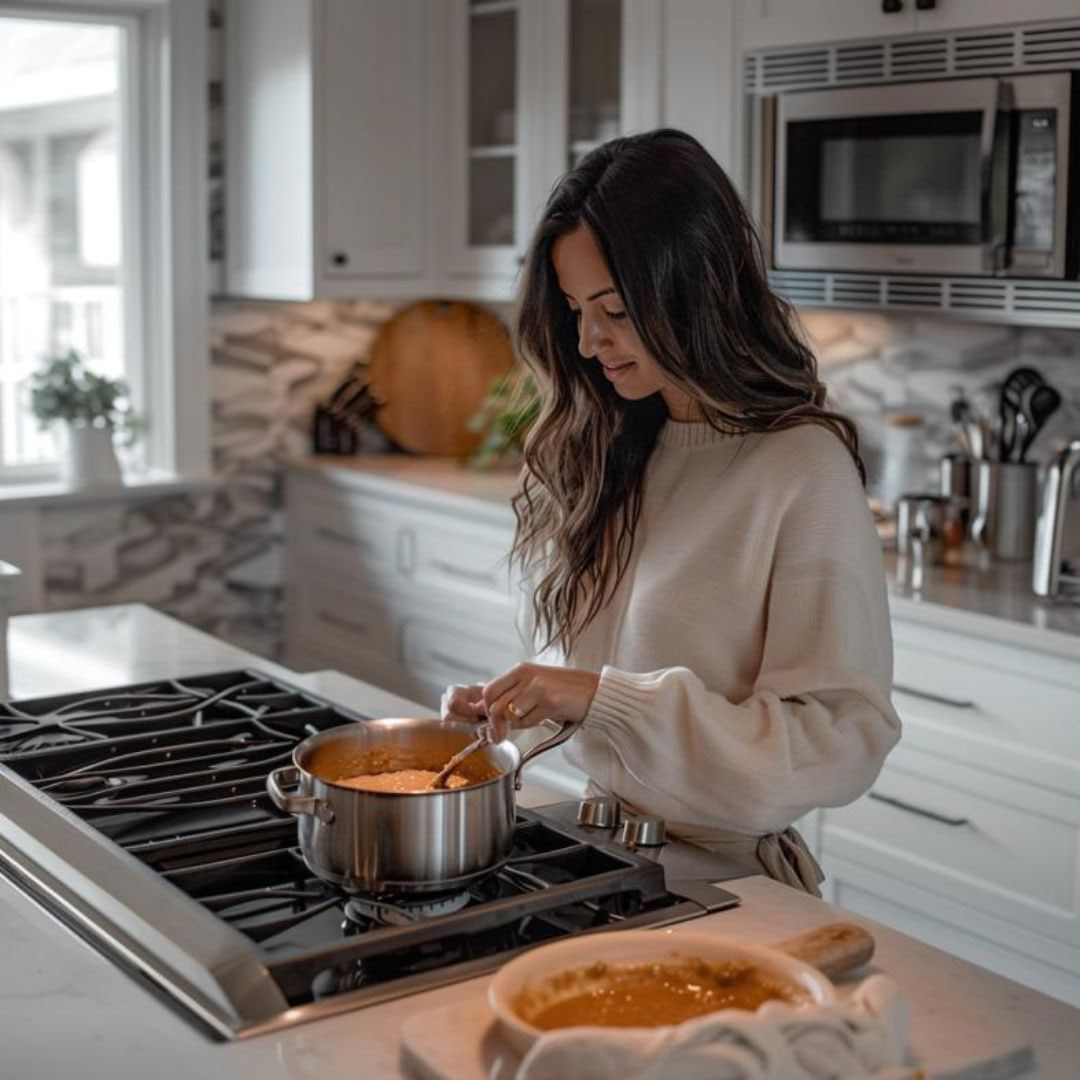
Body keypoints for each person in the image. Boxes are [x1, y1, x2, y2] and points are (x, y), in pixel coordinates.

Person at [441, 129, 900, 895]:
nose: (589, 341)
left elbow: (838, 742)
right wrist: (518, 709)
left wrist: (598, 697)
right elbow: (605, 697)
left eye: (615, 309)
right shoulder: (616, 441)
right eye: (577, 308)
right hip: (592, 858)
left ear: (691, 290)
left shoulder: (799, 468)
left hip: (724, 890)